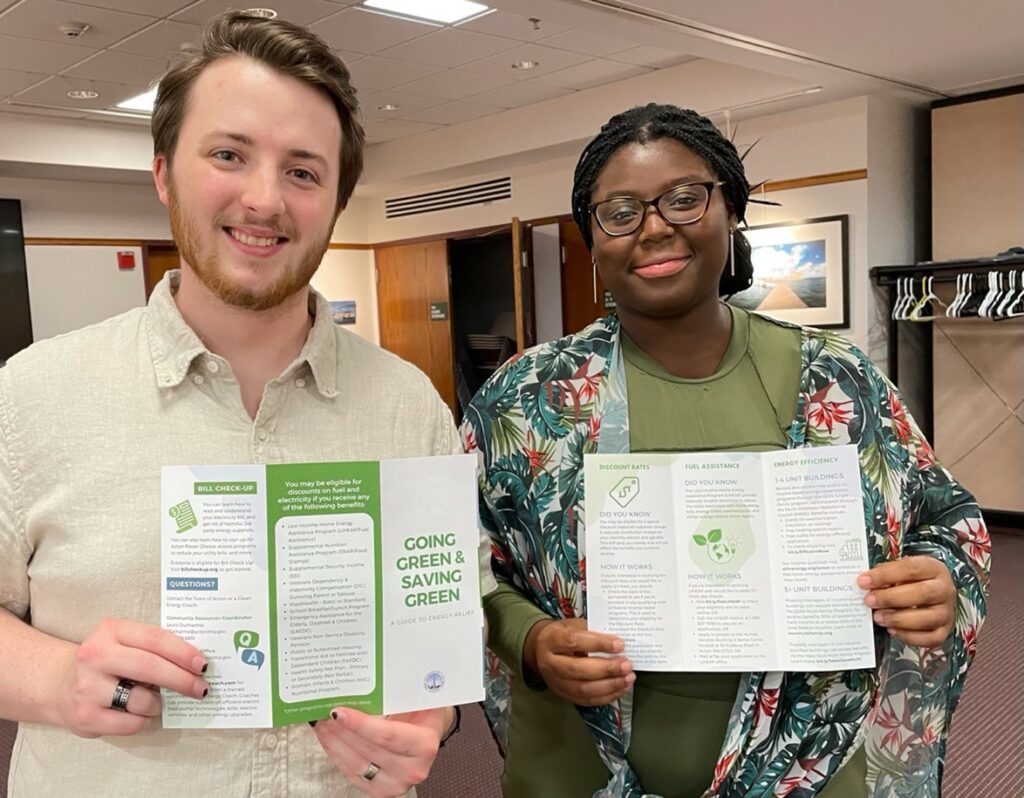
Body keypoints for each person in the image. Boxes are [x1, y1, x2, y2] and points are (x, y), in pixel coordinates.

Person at [0, 12, 491, 798]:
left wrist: (433, 717)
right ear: (163, 172)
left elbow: (451, 608)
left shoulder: (407, 406)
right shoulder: (32, 395)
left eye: (303, 172)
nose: (264, 199)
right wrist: (60, 678)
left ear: (335, 202)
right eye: (229, 154)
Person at [461, 103, 990, 797]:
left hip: (810, 763)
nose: (654, 228)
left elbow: (946, 517)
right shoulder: (529, 397)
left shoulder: (834, 377)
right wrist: (529, 639)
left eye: (684, 199)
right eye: (619, 212)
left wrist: (939, 576)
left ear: (730, 210)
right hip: (582, 762)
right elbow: (453, 560)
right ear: (593, 237)